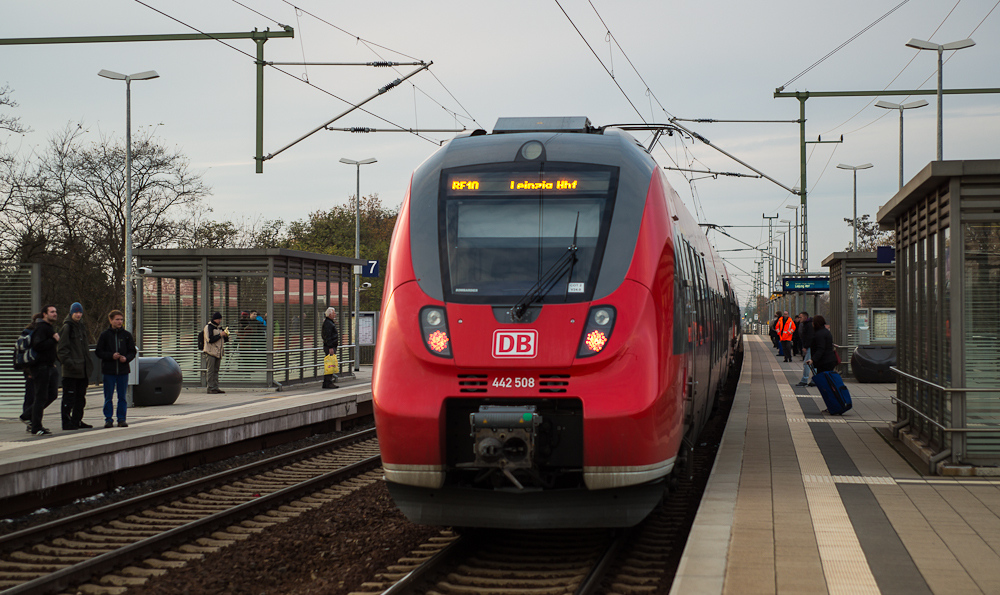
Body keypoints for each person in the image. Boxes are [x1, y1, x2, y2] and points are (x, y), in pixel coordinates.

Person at [95, 310, 137, 428]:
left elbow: (132, 351)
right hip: (109, 370)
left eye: (121, 319)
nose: (120, 322)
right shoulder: (105, 335)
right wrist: (111, 356)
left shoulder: (127, 335)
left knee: (122, 396)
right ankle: (108, 419)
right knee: (108, 396)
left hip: (123, 370)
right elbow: (99, 352)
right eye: (117, 319)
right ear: (111, 320)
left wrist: (126, 358)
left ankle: (121, 419)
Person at [57, 302, 94, 430]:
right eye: (76, 312)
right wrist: (70, 364)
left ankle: (77, 420)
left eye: (80, 312)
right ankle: (66, 422)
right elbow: (62, 349)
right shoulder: (67, 327)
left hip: (82, 370)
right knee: (69, 398)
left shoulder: (81, 326)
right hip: (71, 371)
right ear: (71, 313)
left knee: (80, 398)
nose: (78, 315)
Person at [28, 305, 61, 435]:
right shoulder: (41, 328)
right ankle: (36, 426)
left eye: (55, 312)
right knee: (41, 397)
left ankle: (27, 415)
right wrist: (53, 340)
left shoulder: (48, 327)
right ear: (44, 314)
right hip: (40, 367)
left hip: (48, 366)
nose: (55, 314)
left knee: (52, 394)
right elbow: (38, 345)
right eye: (52, 312)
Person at [18, 313, 43, 432]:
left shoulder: (39, 331)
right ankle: (29, 419)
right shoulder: (29, 332)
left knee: (36, 395)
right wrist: (27, 370)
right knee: (31, 395)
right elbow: (23, 351)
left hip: (38, 368)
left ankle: (33, 420)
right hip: (31, 368)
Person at [202, 312, 230, 394]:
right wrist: (220, 335)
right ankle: (210, 388)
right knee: (210, 370)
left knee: (216, 370)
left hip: (218, 352)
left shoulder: (219, 328)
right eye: (218, 319)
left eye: (220, 319)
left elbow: (224, 340)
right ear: (215, 319)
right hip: (210, 352)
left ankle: (215, 387)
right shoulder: (208, 327)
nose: (220, 321)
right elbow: (210, 339)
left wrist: (225, 335)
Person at [795, 311, 815, 387]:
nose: (799, 319)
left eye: (800, 317)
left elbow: (809, 337)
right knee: (812, 363)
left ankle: (804, 380)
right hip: (810, 346)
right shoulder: (806, 324)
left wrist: (805, 346)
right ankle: (814, 379)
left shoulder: (808, 325)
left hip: (810, 346)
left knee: (806, 363)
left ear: (805, 317)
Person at [322, 307, 339, 389]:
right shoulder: (328, 323)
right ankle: (328, 382)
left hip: (330, 346)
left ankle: (326, 382)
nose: (335, 314)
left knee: (330, 364)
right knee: (330, 365)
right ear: (329, 314)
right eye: (334, 313)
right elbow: (327, 336)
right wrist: (330, 347)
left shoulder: (328, 322)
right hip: (330, 347)